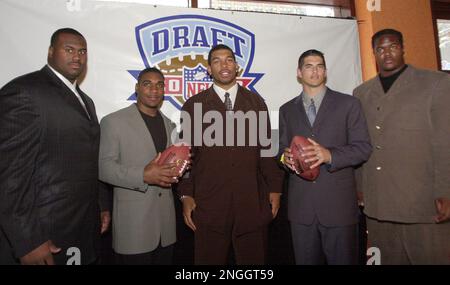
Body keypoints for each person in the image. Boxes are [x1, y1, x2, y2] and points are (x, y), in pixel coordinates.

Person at [0, 28, 110, 265]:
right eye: (68, 49)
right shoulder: (25, 91)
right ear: (51, 52)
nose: (77, 57)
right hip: (45, 232)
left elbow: (89, 159)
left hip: (81, 226)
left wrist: (99, 205)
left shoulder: (86, 101)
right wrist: (27, 240)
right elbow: (8, 174)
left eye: (82, 51)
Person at [178, 44, 284, 265]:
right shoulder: (193, 105)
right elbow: (186, 155)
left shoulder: (256, 103)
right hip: (209, 206)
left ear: (237, 66)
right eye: (216, 60)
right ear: (208, 69)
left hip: (251, 204)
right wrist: (186, 195)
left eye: (229, 60)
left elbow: (267, 150)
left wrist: (275, 187)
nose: (223, 65)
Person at [353, 29, 450, 265]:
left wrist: (446, 190)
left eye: (393, 46)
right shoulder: (361, 93)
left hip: (422, 203)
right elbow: (359, 142)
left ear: (403, 48)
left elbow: (445, 141)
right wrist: (360, 185)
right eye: (380, 48)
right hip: (378, 203)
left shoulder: (436, 83)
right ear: (373, 53)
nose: (387, 53)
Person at [279, 49, 372, 265]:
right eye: (309, 66)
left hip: (338, 208)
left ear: (325, 71)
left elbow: (363, 148)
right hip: (301, 210)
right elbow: (281, 152)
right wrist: (285, 159)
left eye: (319, 66)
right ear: (299, 72)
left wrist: (330, 155)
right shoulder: (286, 110)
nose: (315, 71)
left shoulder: (348, 104)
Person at [99, 67, 183, 265]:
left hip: (166, 228)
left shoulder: (170, 125)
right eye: (147, 84)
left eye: (159, 85)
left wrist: (181, 168)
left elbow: (171, 171)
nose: (154, 90)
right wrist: (143, 175)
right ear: (137, 88)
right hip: (133, 227)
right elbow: (103, 168)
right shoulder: (113, 121)